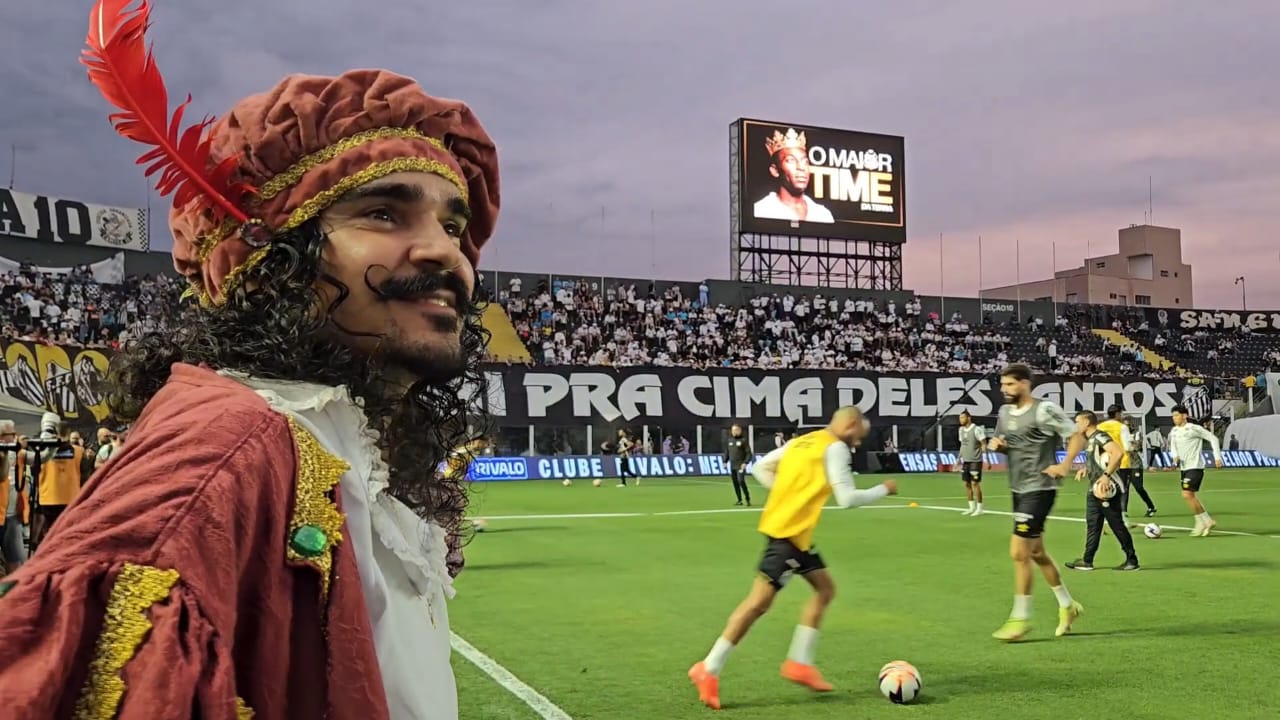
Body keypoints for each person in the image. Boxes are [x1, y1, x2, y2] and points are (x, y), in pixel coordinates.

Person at [0, 1, 500, 717]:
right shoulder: (227, 443)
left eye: (453, 225)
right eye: (383, 213)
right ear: (268, 264)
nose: (445, 252)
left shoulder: (342, 444)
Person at [687, 407, 898, 710]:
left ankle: (800, 662)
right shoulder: (835, 448)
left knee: (825, 590)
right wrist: (883, 489)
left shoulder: (803, 441)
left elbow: (761, 468)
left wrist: (789, 494)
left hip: (795, 536)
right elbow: (847, 499)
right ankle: (709, 667)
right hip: (788, 537)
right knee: (757, 604)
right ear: (851, 424)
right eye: (858, 437)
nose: (858, 443)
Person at [987, 363, 1085, 642]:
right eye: (1002, 385)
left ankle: (1020, 619)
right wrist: (1000, 446)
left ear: (1025, 383)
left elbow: (1076, 436)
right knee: (1037, 552)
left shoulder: (1045, 410)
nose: (1004, 389)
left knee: (1019, 552)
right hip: (1018, 487)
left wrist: (1065, 464)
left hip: (1040, 486)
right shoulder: (1005, 413)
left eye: (1010, 384)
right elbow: (1009, 443)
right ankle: (1068, 605)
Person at [1065, 411, 1140, 571]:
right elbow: (1100, 459)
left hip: (1106, 489)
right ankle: (1087, 560)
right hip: (1095, 488)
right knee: (1093, 525)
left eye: (1077, 421)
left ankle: (1131, 560)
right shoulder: (1091, 439)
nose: (1076, 425)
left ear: (1087, 422)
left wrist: (1106, 476)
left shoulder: (1100, 436)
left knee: (1116, 524)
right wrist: (1087, 468)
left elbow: (1118, 453)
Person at [751, 128, 835, 223]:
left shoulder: (823, 215)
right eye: (791, 160)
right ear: (775, 170)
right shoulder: (761, 210)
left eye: (805, 161)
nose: (801, 168)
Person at [1168, 405, 1223, 536]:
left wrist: (1217, 457)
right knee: (1190, 496)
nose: (1174, 418)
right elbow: (1173, 446)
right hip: (1184, 467)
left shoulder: (1193, 428)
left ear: (1184, 416)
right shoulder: (1174, 431)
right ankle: (1205, 521)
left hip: (1195, 466)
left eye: (1176, 415)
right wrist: (1175, 457)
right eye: (1173, 416)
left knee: (1187, 494)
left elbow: (1213, 438)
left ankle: (1203, 521)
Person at [1124, 416, 1157, 517]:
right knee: (1124, 489)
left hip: (1135, 465)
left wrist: (1129, 442)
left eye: (1128, 425)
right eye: (1125, 425)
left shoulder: (1136, 434)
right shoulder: (1120, 435)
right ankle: (1123, 511)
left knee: (1139, 488)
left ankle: (1151, 506)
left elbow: (1137, 447)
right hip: (1124, 465)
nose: (1126, 427)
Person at [957, 410, 987, 516]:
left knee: (975, 483)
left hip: (975, 461)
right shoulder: (961, 430)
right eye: (960, 418)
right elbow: (962, 445)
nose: (960, 420)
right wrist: (958, 459)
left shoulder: (977, 429)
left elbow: (983, 443)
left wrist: (986, 459)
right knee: (966, 483)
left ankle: (980, 508)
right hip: (966, 460)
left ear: (968, 418)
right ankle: (971, 507)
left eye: (962, 418)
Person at [725, 424, 753, 506]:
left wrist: (745, 463)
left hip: (740, 465)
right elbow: (727, 452)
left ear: (739, 431)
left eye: (736, 430)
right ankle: (739, 500)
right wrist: (725, 461)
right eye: (733, 430)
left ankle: (747, 498)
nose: (734, 432)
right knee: (735, 482)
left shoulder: (743, 441)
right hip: (732, 465)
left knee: (741, 481)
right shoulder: (729, 441)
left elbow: (749, 454)